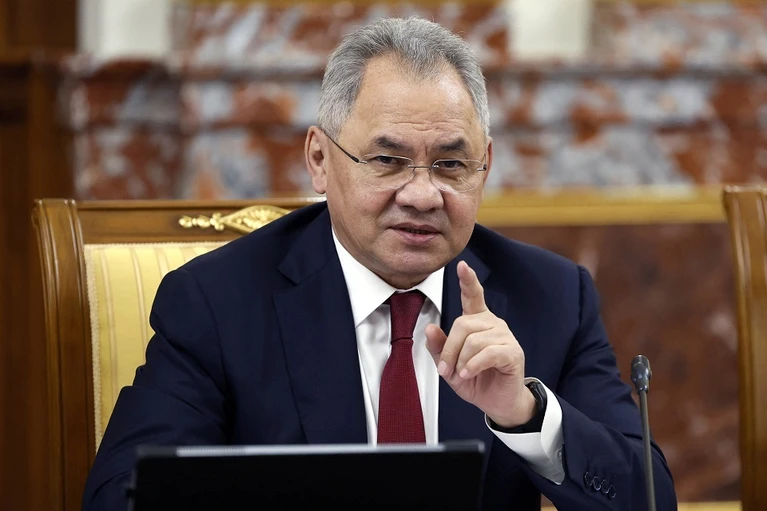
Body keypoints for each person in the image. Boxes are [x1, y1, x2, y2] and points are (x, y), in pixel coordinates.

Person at [83, 16, 676, 510]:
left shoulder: (550, 297)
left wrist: (526, 414)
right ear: (320, 160)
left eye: (450, 165)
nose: (422, 194)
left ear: (486, 166)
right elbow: (120, 495)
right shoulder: (218, 303)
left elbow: (649, 499)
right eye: (388, 161)